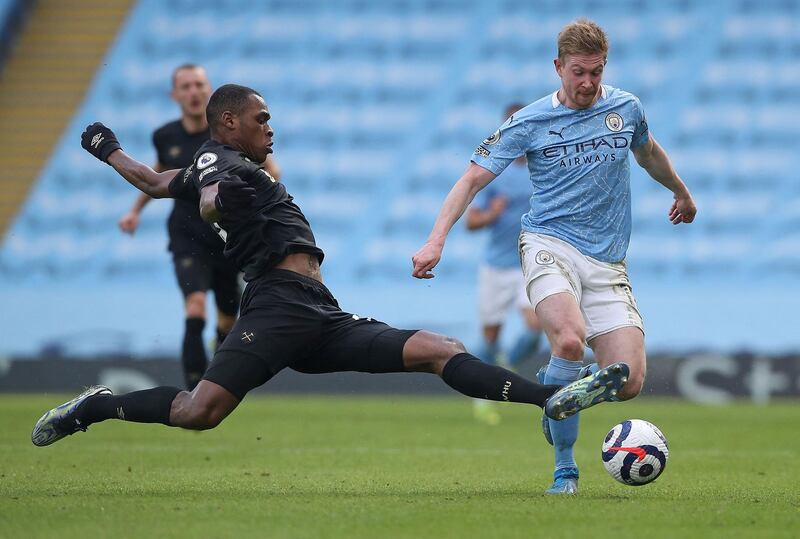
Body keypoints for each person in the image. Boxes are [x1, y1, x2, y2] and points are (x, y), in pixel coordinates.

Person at [32, 84, 629, 451]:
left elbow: (156, 181)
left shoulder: (227, 164)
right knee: (199, 412)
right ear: (230, 122)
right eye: (262, 117)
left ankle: (550, 399)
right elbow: (210, 194)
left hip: (316, 310)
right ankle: (98, 405)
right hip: (275, 306)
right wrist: (217, 202)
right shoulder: (220, 156)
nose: (272, 126)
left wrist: (107, 149)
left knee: (438, 348)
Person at [412, 18, 696, 495]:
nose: (588, 83)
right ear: (558, 67)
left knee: (628, 383)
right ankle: (565, 468)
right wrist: (436, 239)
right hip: (549, 244)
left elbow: (648, 154)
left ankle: (560, 388)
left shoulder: (626, 108)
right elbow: (470, 180)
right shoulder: (529, 121)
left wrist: (682, 193)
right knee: (568, 341)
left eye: (596, 72)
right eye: (578, 72)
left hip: (607, 262)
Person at [117, 64, 280, 390]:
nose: (193, 91)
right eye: (186, 86)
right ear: (174, 95)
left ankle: (216, 383)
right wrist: (135, 210)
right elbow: (160, 174)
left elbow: (270, 171)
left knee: (226, 319)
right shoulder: (166, 136)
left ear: (209, 91)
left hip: (227, 239)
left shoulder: (226, 135)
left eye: (199, 85)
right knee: (195, 306)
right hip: (187, 235)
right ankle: (193, 383)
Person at [467, 103, 545, 425]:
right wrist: (491, 214)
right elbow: (471, 222)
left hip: (529, 263)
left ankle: (508, 367)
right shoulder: (494, 170)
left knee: (535, 326)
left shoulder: (543, 168)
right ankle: (481, 399)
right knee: (489, 336)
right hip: (496, 267)